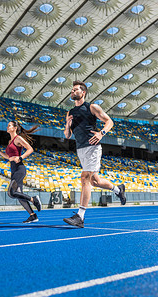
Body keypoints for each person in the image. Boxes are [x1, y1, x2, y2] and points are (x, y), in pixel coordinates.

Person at [63, 80, 126, 228]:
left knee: (85, 177)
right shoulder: (70, 112)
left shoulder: (91, 107)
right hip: (80, 149)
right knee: (94, 181)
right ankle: (118, 189)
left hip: (93, 147)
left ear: (83, 92)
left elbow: (109, 121)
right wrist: (67, 124)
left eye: (75, 90)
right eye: (72, 90)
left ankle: (80, 216)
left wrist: (101, 133)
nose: (72, 92)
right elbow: (67, 135)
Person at [0, 121, 42, 223]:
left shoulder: (18, 138)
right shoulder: (10, 141)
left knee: (11, 192)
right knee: (18, 195)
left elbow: (30, 149)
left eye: (9, 125)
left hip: (19, 169)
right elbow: (9, 157)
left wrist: (21, 157)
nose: (7, 127)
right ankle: (33, 215)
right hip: (14, 169)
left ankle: (34, 199)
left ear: (15, 128)